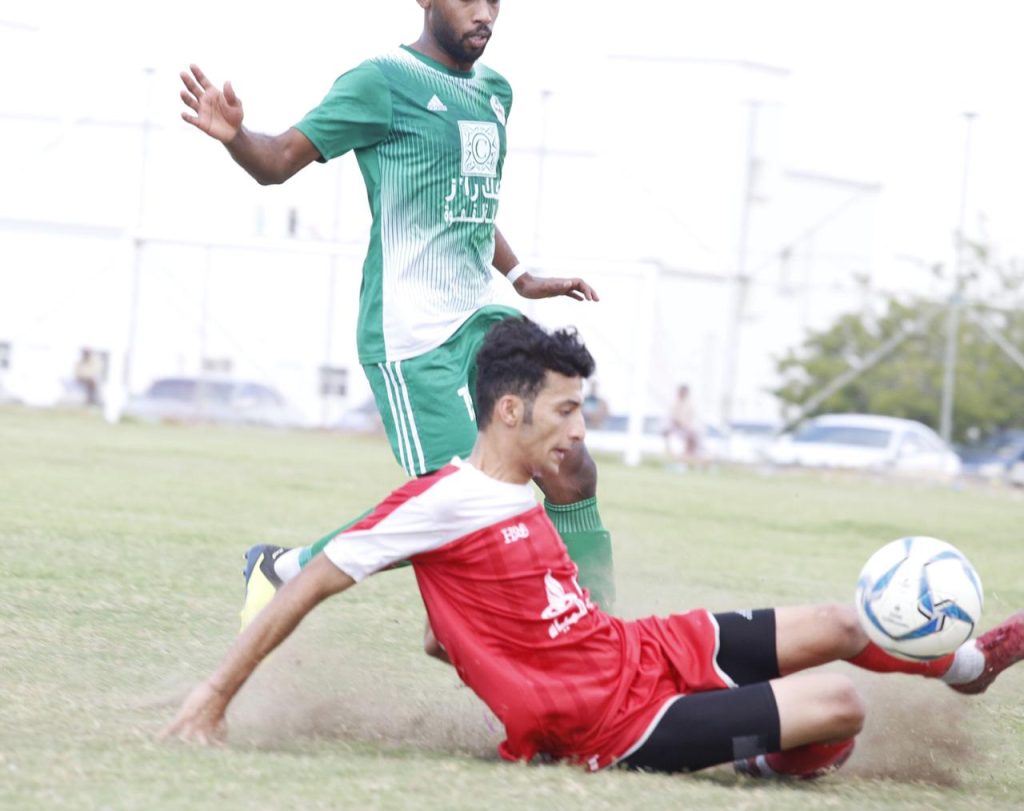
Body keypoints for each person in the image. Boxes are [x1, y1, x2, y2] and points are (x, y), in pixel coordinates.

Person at [163, 317, 1024, 777]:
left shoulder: (527, 484)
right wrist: (211, 697)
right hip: (607, 719)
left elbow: (456, 625)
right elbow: (309, 582)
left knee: (841, 623)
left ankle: (964, 667)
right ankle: (761, 754)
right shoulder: (439, 501)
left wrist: (466, 641)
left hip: (632, 650)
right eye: (566, 409)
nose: (579, 427)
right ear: (511, 410)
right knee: (840, 701)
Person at [178, 0, 616, 631]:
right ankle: (286, 569)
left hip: (486, 320)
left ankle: (601, 638)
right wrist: (238, 138)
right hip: (414, 336)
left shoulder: (496, 92)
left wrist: (521, 276)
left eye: (495, 2)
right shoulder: (379, 81)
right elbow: (276, 161)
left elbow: (468, 200)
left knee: (569, 467)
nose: (485, 14)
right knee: (461, 504)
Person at [664, 383, 700, 467]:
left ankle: (687, 460)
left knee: (692, 438)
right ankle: (677, 461)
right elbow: (672, 418)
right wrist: (678, 424)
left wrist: (686, 426)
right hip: (675, 429)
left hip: (685, 429)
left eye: (685, 392)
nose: (684, 394)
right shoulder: (674, 403)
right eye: (682, 392)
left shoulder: (689, 405)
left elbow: (690, 418)